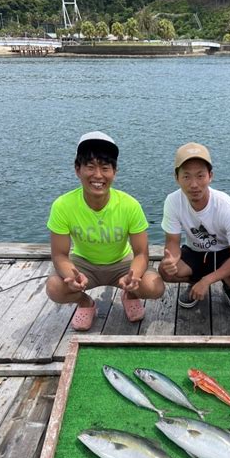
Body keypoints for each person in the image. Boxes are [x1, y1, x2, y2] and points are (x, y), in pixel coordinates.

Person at [46, 131, 164, 330]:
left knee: (155, 286)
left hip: (122, 262)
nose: (98, 175)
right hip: (84, 264)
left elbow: (142, 253)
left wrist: (134, 277)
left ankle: (130, 294)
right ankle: (85, 303)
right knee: (54, 287)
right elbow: (59, 255)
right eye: (90, 167)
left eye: (105, 168)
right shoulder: (62, 205)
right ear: (77, 170)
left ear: (114, 172)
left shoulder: (130, 205)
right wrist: (71, 276)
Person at [159, 142, 230, 311]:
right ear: (176, 177)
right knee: (166, 271)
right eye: (186, 176)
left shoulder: (227, 207)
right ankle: (194, 283)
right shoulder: (172, 201)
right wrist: (171, 259)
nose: (194, 184)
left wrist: (207, 281)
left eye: (200, 176)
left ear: (210, 176)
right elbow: (172, 241)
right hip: (196, 251)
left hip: (224, 253)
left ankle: (229, 288)